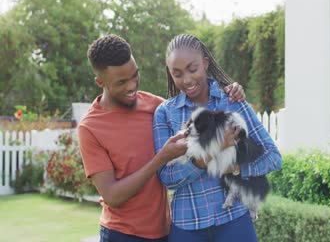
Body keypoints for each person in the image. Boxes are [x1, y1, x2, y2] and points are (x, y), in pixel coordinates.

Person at [77, 34, 245, 242]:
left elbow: (201, 108)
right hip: (121, 234)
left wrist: (231, 90)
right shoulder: (90, 128)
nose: (132, 86)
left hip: (164, 231)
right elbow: (113, 196)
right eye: (121, 82)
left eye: (134, 75)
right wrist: (161, 158)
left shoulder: (157, 107)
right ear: (100, 81)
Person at [153, 34, 282, 242]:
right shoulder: (165, 113)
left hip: (235, 220)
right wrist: (210, 153)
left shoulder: (232, 101)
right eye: (177, 74)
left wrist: (238, 168)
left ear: (205, 63)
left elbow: (273, 157)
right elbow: (167, 178)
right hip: (188, 225)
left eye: (192, 69)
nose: (186, 80)